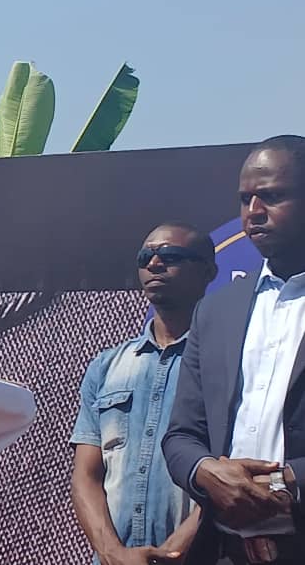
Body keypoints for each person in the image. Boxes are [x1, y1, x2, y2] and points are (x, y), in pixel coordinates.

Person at [163, 135, 305, 564]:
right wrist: (207, 472)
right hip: (225, 551)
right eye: (245, 199)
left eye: (272, 196)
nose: (253, 211)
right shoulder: (215, 310)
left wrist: (286, 483)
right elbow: (182, 435)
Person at [71, 222, 217, 564]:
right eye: (144, 257)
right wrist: (112, 553)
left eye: (170, 255)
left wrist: (173, 552)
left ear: (208, 272)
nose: (154, 264)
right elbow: (86, 475)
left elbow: (232, 469)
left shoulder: (226, 363)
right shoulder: (107, 366)